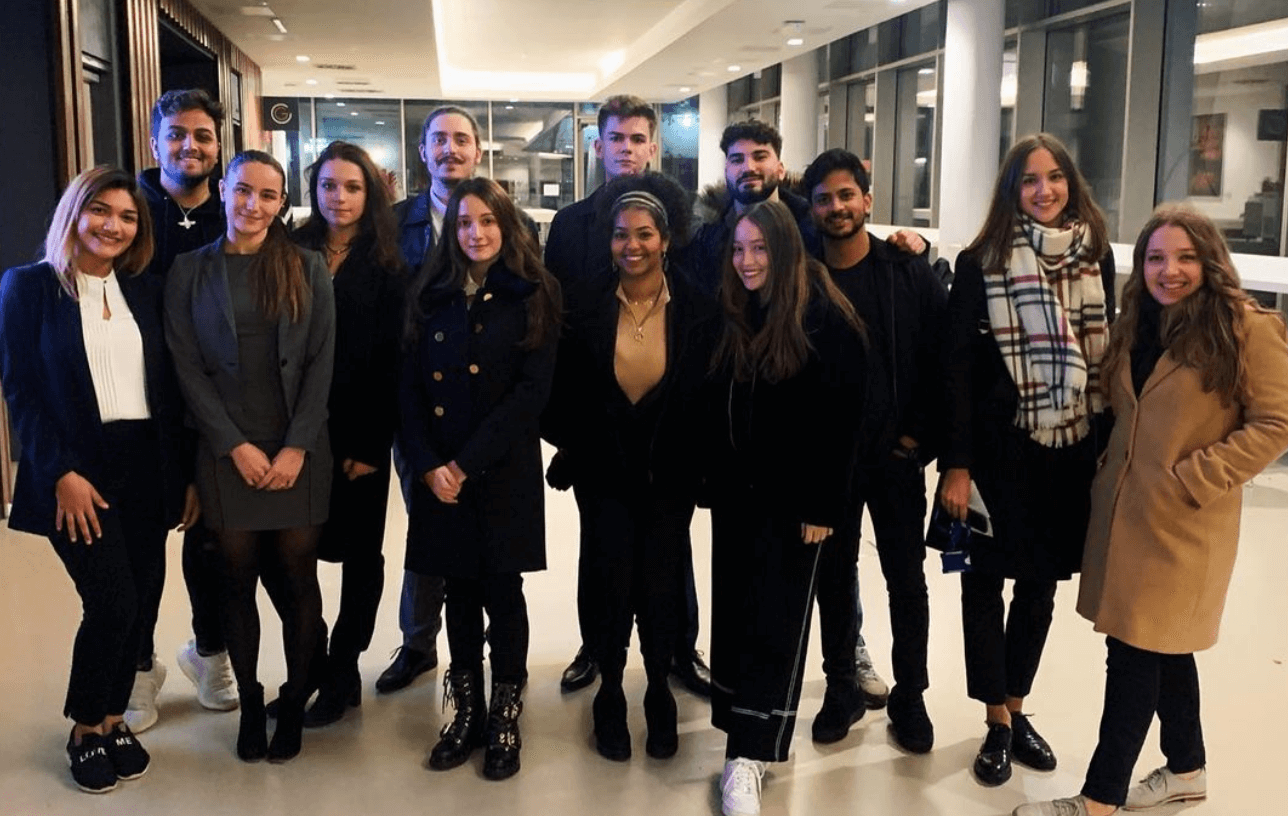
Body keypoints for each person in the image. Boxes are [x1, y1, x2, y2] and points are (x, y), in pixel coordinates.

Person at [1013, 205, 1288, 816]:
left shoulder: (1246, 328)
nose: (1170, 271)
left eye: (1186, 257)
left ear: (1211, 261)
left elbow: (1276, 422)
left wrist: (1197, 476)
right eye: (1156, 258)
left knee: (1134, 652)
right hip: (1126, 514)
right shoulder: (1137, 323)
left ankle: (1099, 799)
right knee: (1163, 644)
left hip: (1184, 522)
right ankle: (1187, 769)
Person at [0, 166, 196, 792]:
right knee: (111, 600)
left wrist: (185, 476)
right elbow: (21, 391)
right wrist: (59, 471)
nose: (114, 225)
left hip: (147, 466)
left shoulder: (146, 289)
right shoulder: (29, 287)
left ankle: (114, 719)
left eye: (128, 217)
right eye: (101, 211)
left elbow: (169, 392)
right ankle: (86, 728)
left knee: (141, 601)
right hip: (76, 470)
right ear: (75, 214)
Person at [940, 133, 1115, 787]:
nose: (1045, 190)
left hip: (1068, 451)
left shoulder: (1095, 257)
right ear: (1012, 191)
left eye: (1055, 177)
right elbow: (955, 372)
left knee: (1040, 588)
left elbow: (1103, 357)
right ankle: (995, 720)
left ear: (1071, 183)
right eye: (1030, 180)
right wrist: (956, 466)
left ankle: (1017, 706)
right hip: (995, 452)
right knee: (983, 585)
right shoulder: (980, 261)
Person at [542, 173, 722, 761]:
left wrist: (700, 465)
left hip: (671, 477)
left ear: (665, 240)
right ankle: (612, 689)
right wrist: (574, 446)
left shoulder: (699, 307)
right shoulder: (584, 304)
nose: (632, 245)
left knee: (662, 583)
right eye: (621, 234)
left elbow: (706, 395)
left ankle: (659, 690)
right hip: (603, 475)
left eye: (644, 234)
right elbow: (560, 390)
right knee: (608, 580)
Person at [164, 150, 335, 763]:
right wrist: (232, 445)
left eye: (267, 195)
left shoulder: (308, 267)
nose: (253, 205)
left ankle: (293, 699)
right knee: (234, 582)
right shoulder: (189, 270)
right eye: (242, 191)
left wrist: (296, 447)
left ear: (281, 202)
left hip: (298, 453)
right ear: (223, 191)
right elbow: (185, 367)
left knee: (297, 580)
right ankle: (251, 701)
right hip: (224, 452)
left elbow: (321, 363)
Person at [707, 199, 866, 816]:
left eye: (759, 249)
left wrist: (824, 504)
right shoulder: (739, 310)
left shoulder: (824, 318)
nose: (747, 261)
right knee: (736, 616)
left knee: (775, 622)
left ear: (784, 249)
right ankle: (743, 738)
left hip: (796, 503)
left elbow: (844, 423)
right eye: (738, 249)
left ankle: (750, 756)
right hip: (738, 499)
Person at [400, 178, 560, 780]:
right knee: (458, 594)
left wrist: (464, 465)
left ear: (507, 225)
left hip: (499, 472)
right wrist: (427, 464)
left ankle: (504, 713)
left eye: (488, 221)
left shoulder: (535, 291)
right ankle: (466, 712)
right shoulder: (428, 291)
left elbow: (531, 394)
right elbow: (407, 390)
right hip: (438, 474)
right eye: (465, 222)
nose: (476, 233)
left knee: (502, 591)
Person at [801, 148, 947, 750]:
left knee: (906, 580)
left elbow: (942, 360)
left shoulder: (906, 270)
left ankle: (911, 696)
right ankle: (842, 689)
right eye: (823, 199)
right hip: (828, 463)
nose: (836, 207)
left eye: (846, 195)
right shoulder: (803, 275)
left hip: (895, 460)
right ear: (811, 209)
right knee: (833, 581)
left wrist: (917, 440)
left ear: (867, 199)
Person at [130, 88, 237, 731]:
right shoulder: (128, 210)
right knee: (142, 546)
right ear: (155, 143)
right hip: (140, 409)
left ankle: (210, 652)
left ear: (217, 147)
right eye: (176, 134)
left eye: (202, 135)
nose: (189, 146)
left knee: (213, 544)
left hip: (215, 410)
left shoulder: (236, 209)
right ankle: (139, 667)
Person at [291, 141, 405, 726]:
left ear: (371, 193)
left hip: (360, 433)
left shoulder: (389, 262)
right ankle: (310, 662)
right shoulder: (290, 250)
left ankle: (344, 667)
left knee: (360, 557)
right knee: (294, 557)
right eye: (329, 185)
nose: (339, 197)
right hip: (296, 434)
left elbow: (392, 363)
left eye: (352, 187)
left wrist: (371, 444)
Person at [379, 105, 485, 695]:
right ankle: (418, 643)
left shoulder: (507, 220)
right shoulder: (393, 226)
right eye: (439, 139)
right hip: (418, 403)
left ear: (477, 150)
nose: (450, 149)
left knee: (489, 534)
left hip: (485, 409)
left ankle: (490, 647)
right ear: (423, 152)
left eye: (461, 139)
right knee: (426, 527)